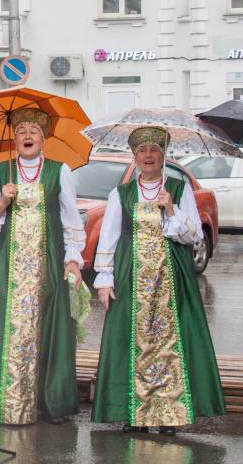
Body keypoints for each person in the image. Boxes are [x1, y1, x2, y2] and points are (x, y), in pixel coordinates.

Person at [92, 126, 225, 433]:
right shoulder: (121, 193)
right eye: (142, 151)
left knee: (169, 344)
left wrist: (171, 208)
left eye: (154, 150)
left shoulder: (178, 188)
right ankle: (134, 413)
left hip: (171, 278)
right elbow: (108, 238)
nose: (148, 156)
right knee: (131, 342)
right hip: (131, 277)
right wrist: (104, 280)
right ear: (134, 157)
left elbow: (192, 235)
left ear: (164, 155)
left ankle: (168, 412)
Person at [0, 107, 84, 425]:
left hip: (47, 265)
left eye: (33, 131)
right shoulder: (2, 171)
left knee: (47, 328)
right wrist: (3, 200)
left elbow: (72, 221)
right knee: (4, 329)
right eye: (21, 131)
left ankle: (47, 400)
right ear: (14, 138)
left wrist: (73, 258)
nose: (27, 136)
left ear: (44, 138)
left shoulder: (60, 171)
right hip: (7, 268)